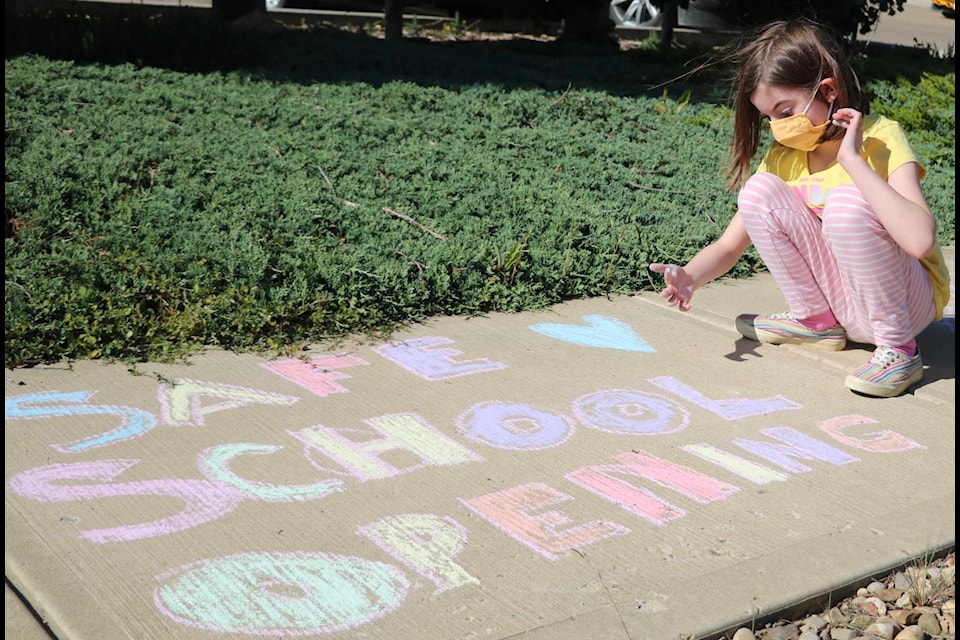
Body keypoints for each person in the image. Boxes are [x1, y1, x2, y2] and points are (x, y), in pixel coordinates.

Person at [648, 19, 950, 398]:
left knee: (846, 201)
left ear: (827, 90)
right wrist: (690, 277)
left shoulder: (881, 138)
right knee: (758, 191)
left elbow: (920, 241)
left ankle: (899, 351)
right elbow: (729, 245)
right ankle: (817, 322)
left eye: (785, 111)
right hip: (847, 305)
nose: (778, 127)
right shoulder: (785, 157)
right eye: (769, 117)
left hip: (905, 307)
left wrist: (852, 161)